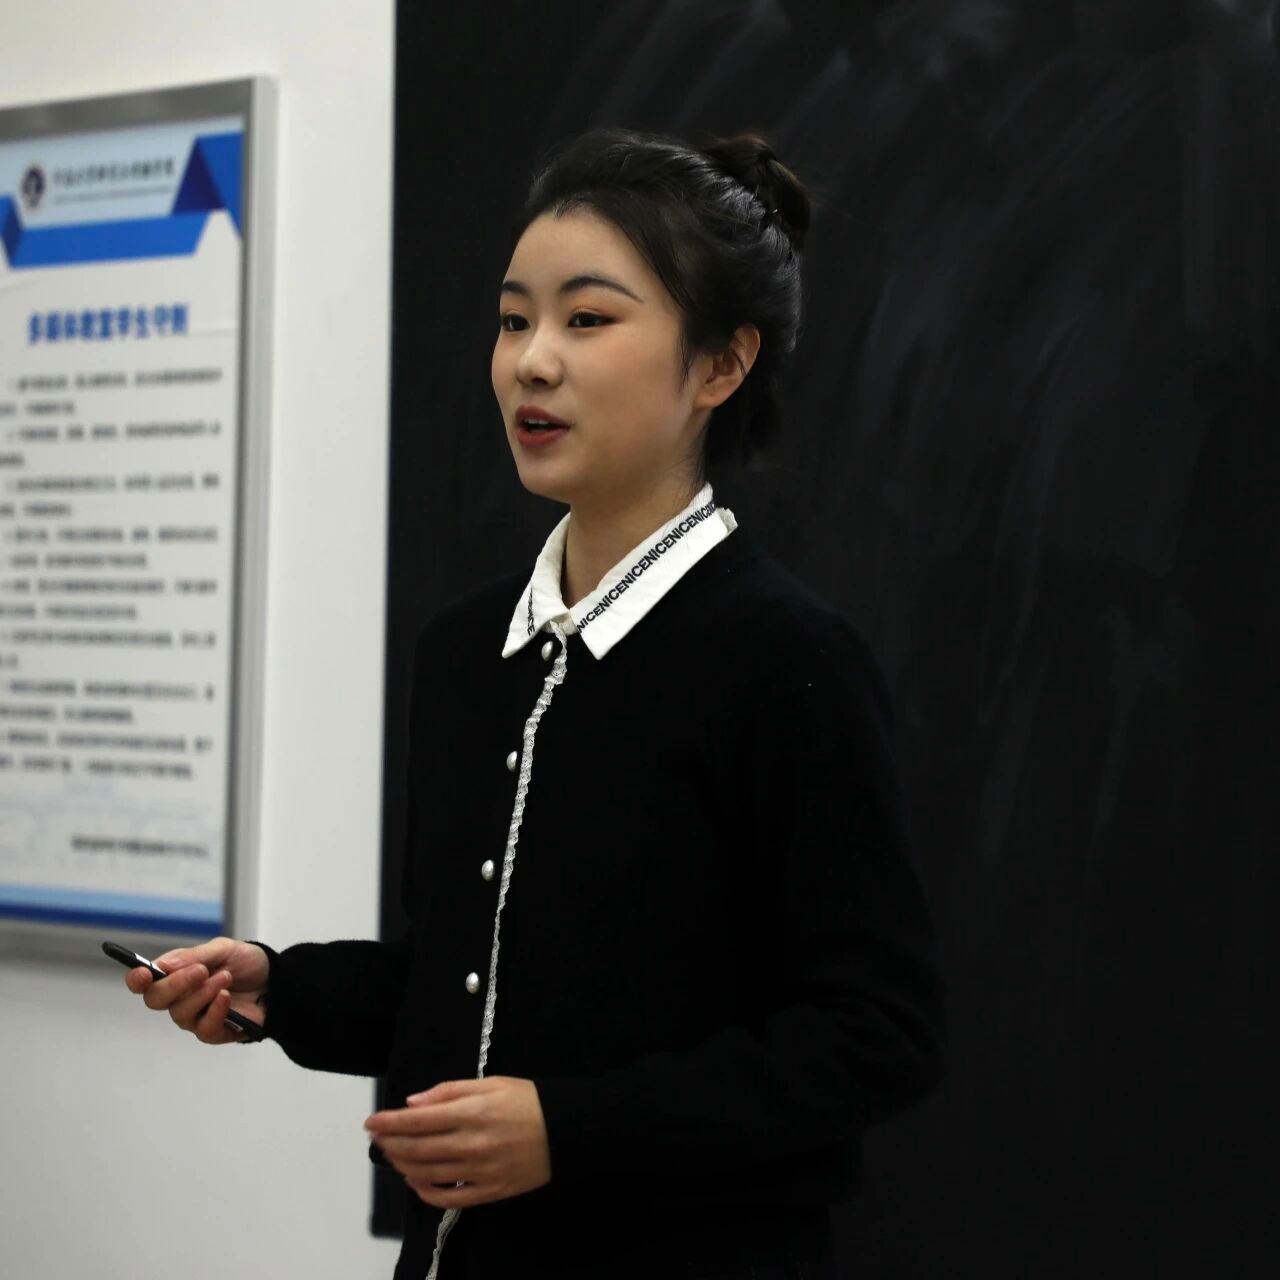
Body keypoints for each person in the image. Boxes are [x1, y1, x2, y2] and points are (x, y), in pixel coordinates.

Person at [124, 125, 948, 1280]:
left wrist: (570, 1127)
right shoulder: (466, 653)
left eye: (587, 319)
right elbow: (474, 978)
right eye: (514, 321)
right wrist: (283, 986)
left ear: (719, 365)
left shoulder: (784, 659)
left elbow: (873, 1034)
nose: (531, 362)